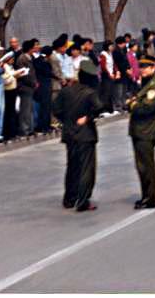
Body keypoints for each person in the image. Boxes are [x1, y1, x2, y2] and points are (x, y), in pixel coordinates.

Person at [53, 59, 105, 212]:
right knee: (87, 169)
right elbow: (99, 108)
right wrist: (87, 118)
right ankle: (83, 201)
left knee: (72, 167)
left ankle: (69, 198)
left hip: (70, 134)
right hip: (86, 135)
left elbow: (56, 109)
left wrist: (67, 121)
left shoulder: (66, 91)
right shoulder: (90, 93)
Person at [127, 54, 155, 210]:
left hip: (146, 131)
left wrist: (132, 104)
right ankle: (146, 195)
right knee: (141, 165)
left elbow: (145, 108)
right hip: (140, 130)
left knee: (146, 166)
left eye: (145, 67)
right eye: (140, 67)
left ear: (153, 67)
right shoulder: (147, 82)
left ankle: (150, 198)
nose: (142, 70)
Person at [16, 40, 39, 137]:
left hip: (30, 87)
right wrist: (33, 83)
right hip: (25, 87)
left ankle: (30, 128)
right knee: (25, 109)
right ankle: (25, 129)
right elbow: (24, 74)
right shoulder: (22, 58)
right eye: (34, 47)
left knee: (30, 108)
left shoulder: (30, 57)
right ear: (30, 48)